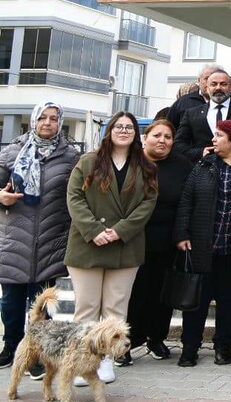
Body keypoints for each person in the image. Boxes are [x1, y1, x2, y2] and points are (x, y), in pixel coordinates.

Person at [65, 112, 158, 386]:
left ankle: (107, 360)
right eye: (119, 126)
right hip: (87, 244)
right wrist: (94, 230)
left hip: (125, 246)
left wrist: (120, 230)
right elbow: (74, 197)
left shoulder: (145, 166)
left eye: (129, 127)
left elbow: (147, 204)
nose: (124, 130)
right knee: (87, 307)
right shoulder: (89, 161)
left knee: (116, 308)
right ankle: (84, 361)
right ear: (109, 130)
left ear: (136, 134)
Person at [0, 103, 79, 373]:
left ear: (60, 123)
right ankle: (10, 346)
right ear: (33, 121)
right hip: (15, 237)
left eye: (53, 119)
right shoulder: (11, 152)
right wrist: (1, 196)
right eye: (42, 118)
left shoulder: (71, 156)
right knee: (10, 300)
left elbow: (78, 193)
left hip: (52, 238)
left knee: (42, 301)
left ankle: (36, 353)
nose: (47, 123)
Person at [173, 120, 231, 367]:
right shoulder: (203, 166)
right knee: (196, 303)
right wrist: (182, 234)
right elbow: (187, 201)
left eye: (219, 135)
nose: (214, 140)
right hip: (202, 246)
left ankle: (223, 347)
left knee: (230, 303)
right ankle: (190, 348)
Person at [125, 119, 189, 363]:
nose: (162, 141)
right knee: (133, 293)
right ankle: (127, 342)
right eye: (157, 135)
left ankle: (156, 338)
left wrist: (182, 234)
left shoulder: (182, 165)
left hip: (167, 241)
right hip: (132, 239)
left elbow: (186, 202)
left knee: (162, 294)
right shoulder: (131, 162)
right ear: (145, 137)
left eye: (168, 137)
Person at [175, 68, 231, 162]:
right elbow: (179, 144)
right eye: (213, 84)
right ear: (207, 88)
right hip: (202, 170)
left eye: (223, 84)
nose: (218, 88)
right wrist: (199, 152)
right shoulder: (192, 114)